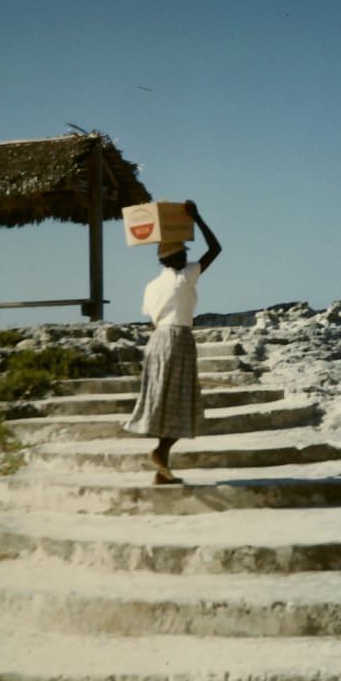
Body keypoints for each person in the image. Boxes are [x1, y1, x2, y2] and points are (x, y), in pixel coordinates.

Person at [124, 200, 222, 484]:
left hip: (158, 341)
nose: (186, 259)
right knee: (182, 403)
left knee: (166, 403)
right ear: (177, 258)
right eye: (183, 255)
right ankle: (161, 451)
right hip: (178, 339)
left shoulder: (152, 286)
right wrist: (198, 218)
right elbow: (215, 249)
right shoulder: (184, 277)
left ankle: (162, 470)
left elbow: (152, 322)